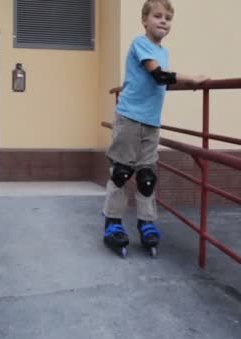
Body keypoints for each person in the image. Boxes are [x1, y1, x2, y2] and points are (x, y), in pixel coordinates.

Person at [102, 0, 209, 257]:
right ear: (144, 20)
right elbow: (159, 76)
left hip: (151, 121)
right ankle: (112, 223)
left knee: (147, 176)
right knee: (122, 171)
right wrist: (192, 79)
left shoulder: (164, 51)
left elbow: (162, 81)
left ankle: (146, 222)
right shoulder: (140, 44)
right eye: (158, 16)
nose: (163, 21)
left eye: (168, 18)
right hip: (129, 117)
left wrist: (183, 83)